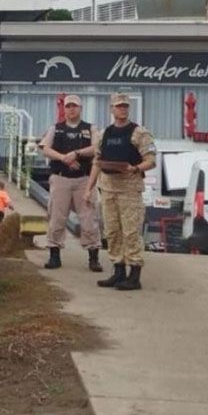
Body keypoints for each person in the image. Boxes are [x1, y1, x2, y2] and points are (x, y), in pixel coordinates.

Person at [84, 93, 156, 291]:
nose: (122, 109)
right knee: (112, 231)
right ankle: (118, 270)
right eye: (118, 106)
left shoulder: (139, 133)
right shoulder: (104, 134)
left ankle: (134, 275)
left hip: (129, 189)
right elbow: (97, 162)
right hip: (108, 188)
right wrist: (89, 188)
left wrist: (136, 168)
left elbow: (151, 160)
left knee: (131, 232)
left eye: (125, 106)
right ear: (112, 109)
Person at [39, 94, 103, 271]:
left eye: (74, 106)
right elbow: (45, 148)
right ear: (64, 109)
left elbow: (97, 148)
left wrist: (77, 153)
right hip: (60, 178)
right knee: (56, 217)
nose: (71, 109)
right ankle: (54, 255)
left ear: (80, 108)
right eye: (68, 106)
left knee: (89, 218)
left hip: (84, 179)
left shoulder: (91, 128)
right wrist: (64, 158)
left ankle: (93, 257)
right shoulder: (55, 128)